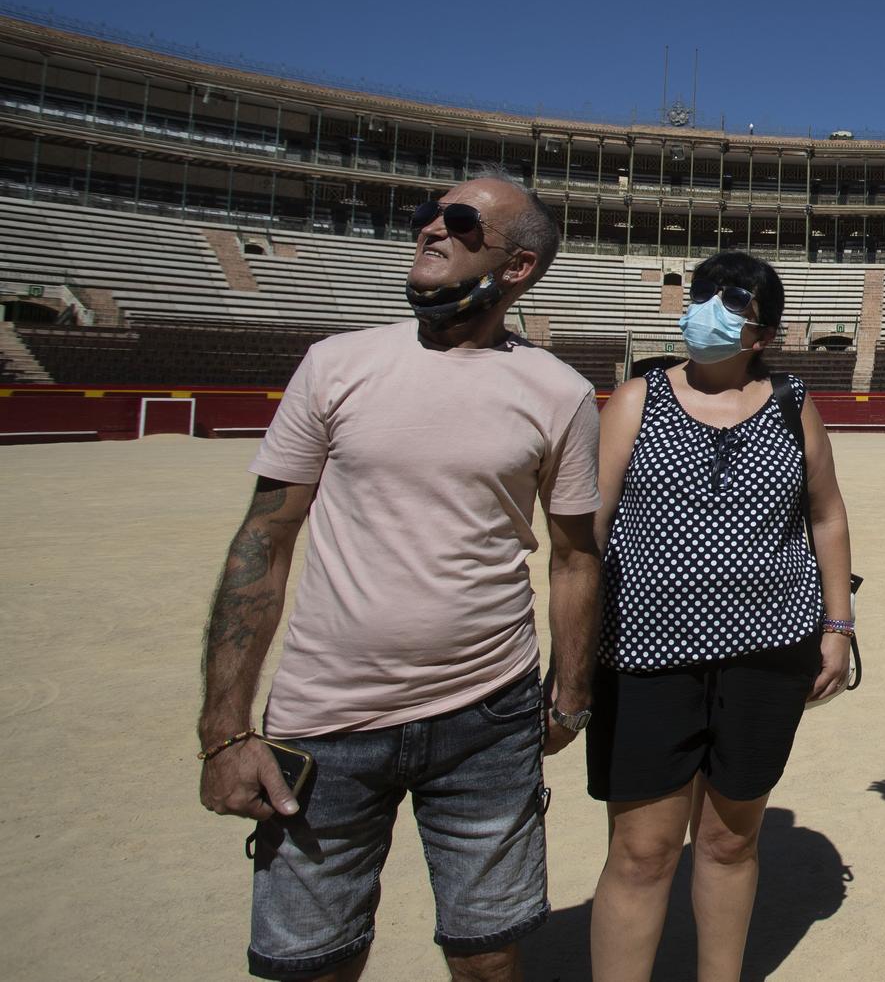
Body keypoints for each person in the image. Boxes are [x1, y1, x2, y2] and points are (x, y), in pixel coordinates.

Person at [197, 172, 602, 982]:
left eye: (458, 221)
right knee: (312, 964)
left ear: (518, 267)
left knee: (489, 957)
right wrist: (225, 729)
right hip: (325, 719)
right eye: (427, 214)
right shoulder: (333, 364)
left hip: (489, 715)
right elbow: (264, 543)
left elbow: (575, 557)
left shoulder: (560, 391)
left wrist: (571, 694)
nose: (428, 228)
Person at [587, 251, 856, 982]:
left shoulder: (792, 401)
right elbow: (595, 523)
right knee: (642, 850)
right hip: (644, 653)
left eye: (731, 303)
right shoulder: (638, 397)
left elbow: (826, 517)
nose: (707, 310)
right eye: (702, 295)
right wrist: (578, 641)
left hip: (769, 653)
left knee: (731, 840)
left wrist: (838, 626)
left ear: (762, 333)